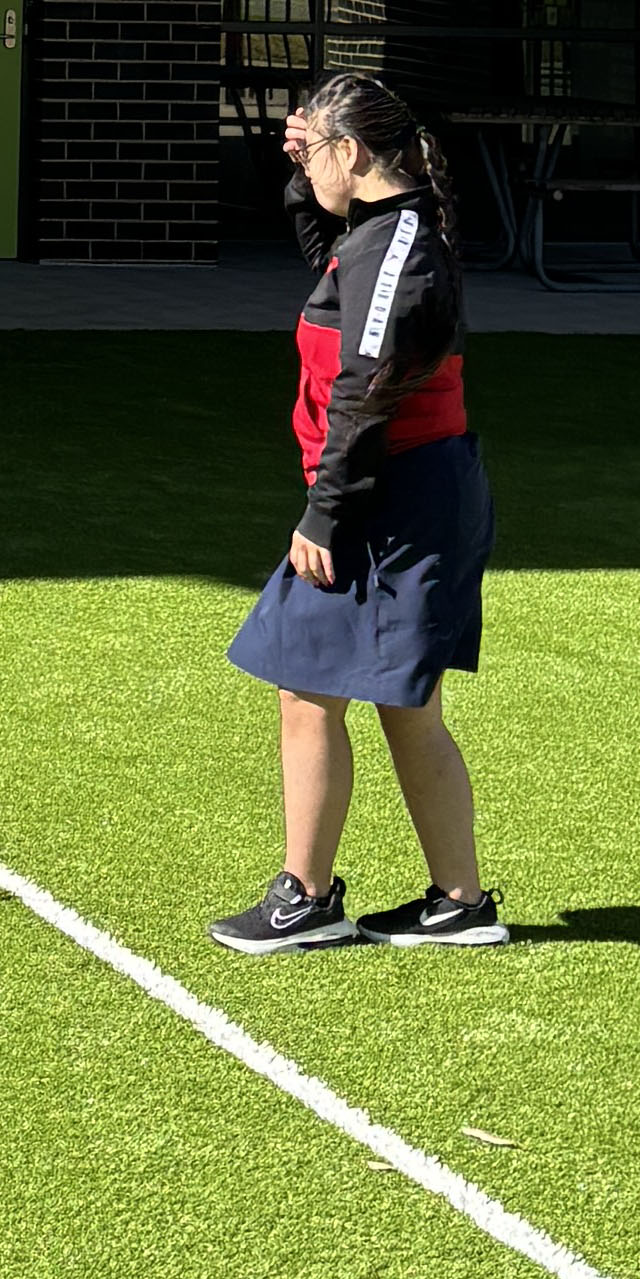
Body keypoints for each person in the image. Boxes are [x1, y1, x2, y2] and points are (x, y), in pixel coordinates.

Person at [207, 69, 503, 953]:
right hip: (408, 492)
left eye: (318, 154)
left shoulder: (396, 246)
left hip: (391, 497)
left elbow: (367, 391)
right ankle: (459, 902)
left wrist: (325, 517)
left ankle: (305, 898)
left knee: (308, 692)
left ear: (353, 151)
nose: (310, 176)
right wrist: (303, 175)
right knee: (405, 709)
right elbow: (322, 258)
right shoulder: (384, 229)